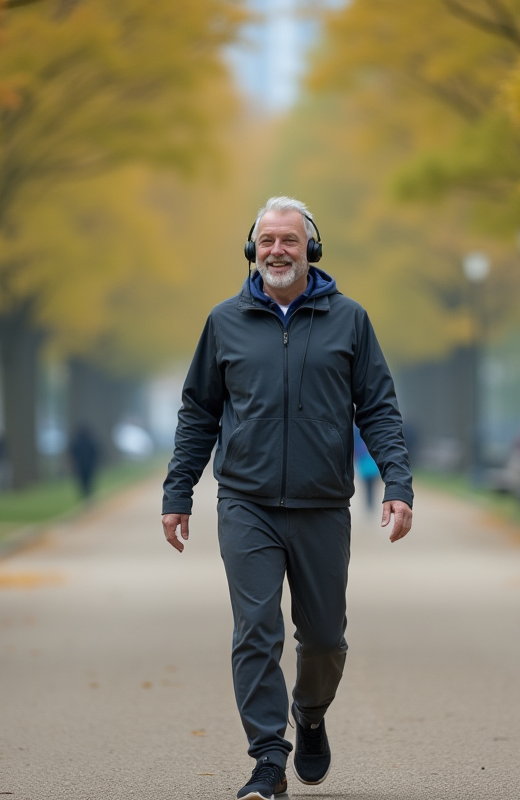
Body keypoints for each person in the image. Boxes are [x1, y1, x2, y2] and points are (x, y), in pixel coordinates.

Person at [161, 197, 414, 800]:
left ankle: (312, 712)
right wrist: (179, 491)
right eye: (267, 240)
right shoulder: (223, 322)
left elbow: (378, 407)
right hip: (246, 501)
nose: (278, 250)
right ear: (253, 250)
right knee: (255, 628)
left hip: (323, 503)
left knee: (324, 638)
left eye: (289, 240)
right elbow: (198, 413)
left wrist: (397, 483)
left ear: (311, 249)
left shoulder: (350, 320)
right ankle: (268, 759)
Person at [67, 424, 101, 501]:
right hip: (86, 466)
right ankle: (88, 496)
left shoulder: (78, 443)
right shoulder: (89, 442)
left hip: (82, 466)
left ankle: (87, 495)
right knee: (87, 482)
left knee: (85, 482)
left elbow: (72, 455)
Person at [353, 427, 380, 513]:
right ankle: (370, 505)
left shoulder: (361, 445)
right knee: (369, 488)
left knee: (369, 488)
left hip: (368, 470)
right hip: (370, 470)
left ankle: (369, 504)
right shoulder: (374, 445)